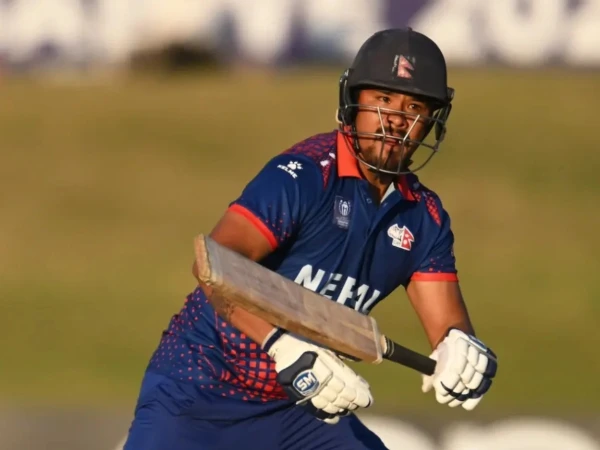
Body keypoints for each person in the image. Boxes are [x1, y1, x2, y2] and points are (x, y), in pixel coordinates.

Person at [123, 28, 498, 450]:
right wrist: (280, 345)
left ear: (431, 121)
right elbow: (213, 264)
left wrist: (460, 350)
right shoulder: (304, 175)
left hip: (297, 410)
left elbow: (447, 324)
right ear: (353, 103)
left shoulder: (424, 217)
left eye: (414, 107)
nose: (395, 119)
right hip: (199, 388)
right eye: (383, 99)